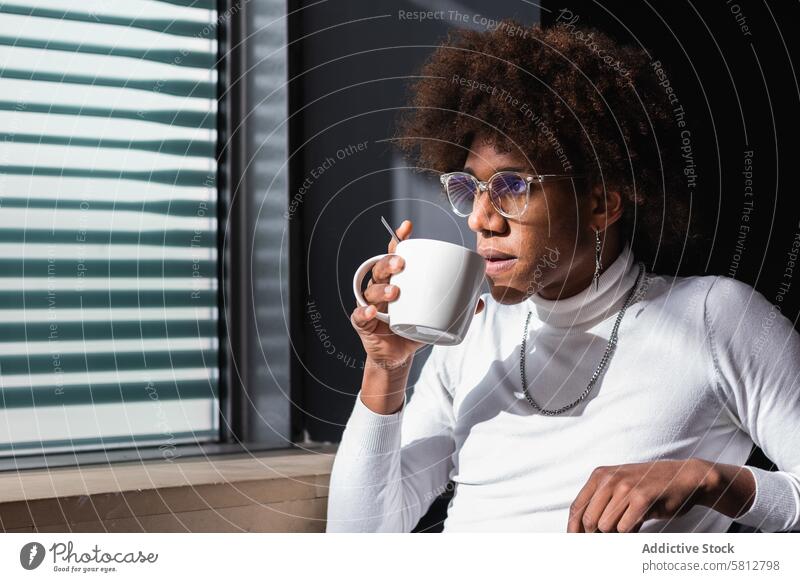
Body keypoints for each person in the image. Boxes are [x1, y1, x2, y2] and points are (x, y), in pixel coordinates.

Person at [325, 20, 800, 532]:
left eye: (512, 185)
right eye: (469, 188)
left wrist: (709, 480)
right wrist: (385, 368)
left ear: (600, 204)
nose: (480, 219)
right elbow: (358, 539)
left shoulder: (715, 317)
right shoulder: (470, 337)